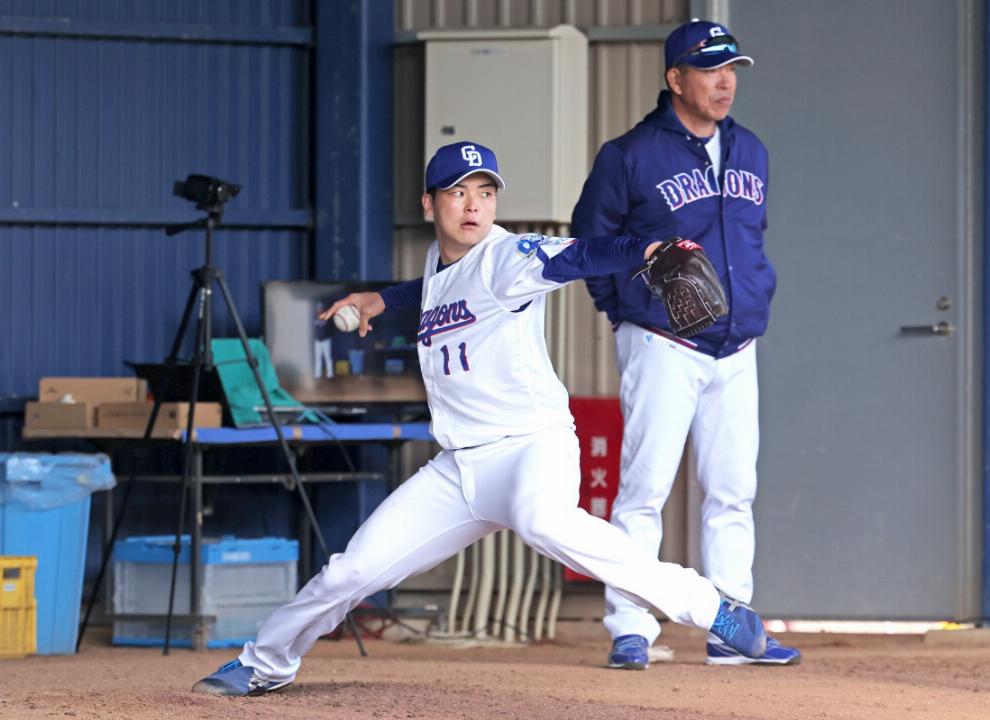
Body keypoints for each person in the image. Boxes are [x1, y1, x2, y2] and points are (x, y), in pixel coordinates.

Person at [191, 140, 766, 696]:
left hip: (529, 447)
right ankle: (264, 663)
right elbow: (435, 289)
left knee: (544, 521)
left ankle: (710, 606)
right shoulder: (441, 262)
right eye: (458, 192)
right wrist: (381, 300)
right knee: (351, 571)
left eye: (486, 193)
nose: (473, 205)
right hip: (459, 468)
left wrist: (649, 250)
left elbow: (579, 255)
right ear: (429, 204)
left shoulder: (506, 257)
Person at [570, 20, 800, 668]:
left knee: (733, 491)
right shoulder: (630, 155)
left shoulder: (751, 150)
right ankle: (630, 628)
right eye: (710, 70)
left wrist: (755, 299)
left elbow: (750, 240)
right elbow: (590, 243)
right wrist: (625, 313)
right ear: (675, 79)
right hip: (663, 343)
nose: (725, 82)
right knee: (644, 491)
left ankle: (732, 628)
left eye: (732, 69)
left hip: (736, 346)